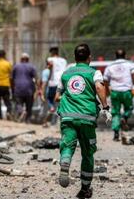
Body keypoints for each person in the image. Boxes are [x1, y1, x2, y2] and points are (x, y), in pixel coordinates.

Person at [55, 44, 111, 198]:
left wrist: (69, 96)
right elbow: (100, 88)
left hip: (67, 116)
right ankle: (85, 188)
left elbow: (57, 97)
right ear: (89, 58)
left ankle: (65, 162)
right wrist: (105, 107)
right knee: (88, 153)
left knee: (67, 145)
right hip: (86, 117)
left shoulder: (65, 74)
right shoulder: (94, 73)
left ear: (74, 58)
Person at [103, 49, 134, 141]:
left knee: (115, 112)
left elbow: (105, 80)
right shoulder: (130, 64)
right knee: (129, 108)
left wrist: (107, 90)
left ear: (115, 56)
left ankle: (116, 134)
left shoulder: (110, 66)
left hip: (115, 92)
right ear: (125, 55)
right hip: (127, 91)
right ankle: (124, 117)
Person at [11, 53, 37, 123]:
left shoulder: (15, 66)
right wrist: (36, 88)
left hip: (18, 88)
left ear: (21, 59)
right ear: (28, 59)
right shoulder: (31, 67)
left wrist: (12, 88)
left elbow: (11, 79)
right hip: (29, 89)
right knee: (29, 105)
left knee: (19, 103)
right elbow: (35, 78)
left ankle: (21, 111)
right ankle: (28, 119)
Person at [47, 46, 67, 124]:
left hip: (53, 82)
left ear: (52, 52)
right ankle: (60, 117)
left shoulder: (50, 59)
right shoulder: (64, 60)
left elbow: (50, 67)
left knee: (50, 98)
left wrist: (49, 67)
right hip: (62, 82)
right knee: (60, 100)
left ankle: (52, 108)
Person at [39, 59, 56, 125]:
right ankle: (53, 122)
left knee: (46, 107)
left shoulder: (45, 71)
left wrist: (42, 94)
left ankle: (45, 122)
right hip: (56, 89)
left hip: (48, 90)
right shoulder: (55, 72)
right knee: (55, 106)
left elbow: (44, 83)